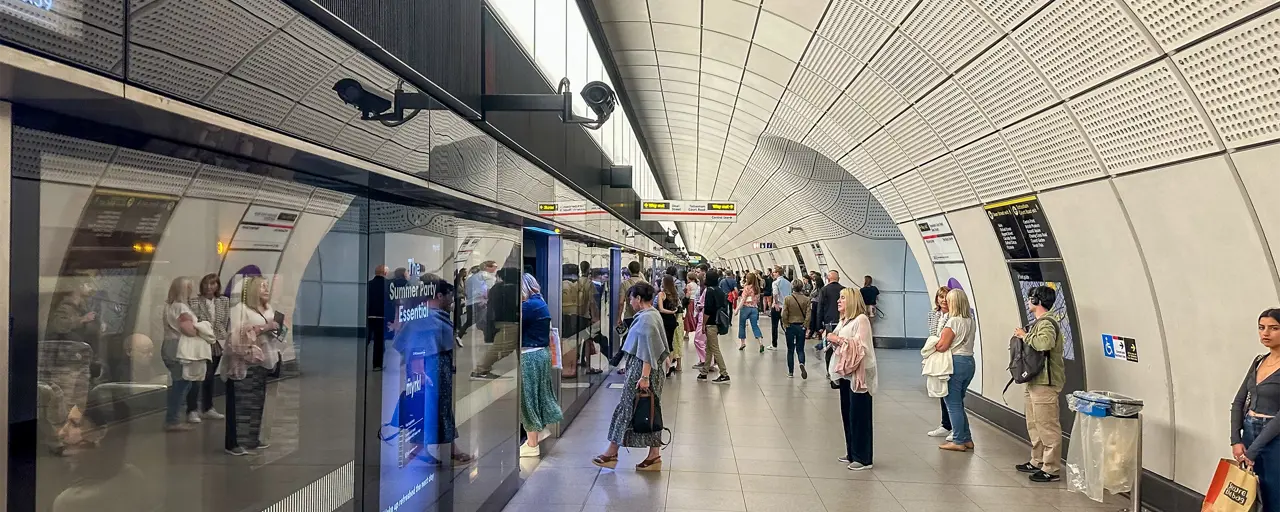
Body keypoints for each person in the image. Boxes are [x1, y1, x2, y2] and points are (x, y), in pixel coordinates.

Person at [395, 276, 475, 466]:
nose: (452, 301)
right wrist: (420, 373)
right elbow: (417, 348)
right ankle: (421, 449)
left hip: (438, 370)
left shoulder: (431, 316)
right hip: (430, 371)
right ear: (439, 295)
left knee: (440, 408)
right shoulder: (425, 318)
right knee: (431, 408)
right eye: (449, 296)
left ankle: (430, 448)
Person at [592, 282, 669, 471]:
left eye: (631, 298)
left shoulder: (646, 320)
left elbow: (648, 351)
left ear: (639, 299)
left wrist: (644, 377)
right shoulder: (651, 315)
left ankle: (611, 453)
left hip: (643, 372)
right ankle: (653, 456)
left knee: (628, 409)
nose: (629, 302)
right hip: (646, 370)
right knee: (648, 409)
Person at [1010, 286, 1065, 482]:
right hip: (1034, 380)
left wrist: (1024, 336)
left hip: (1045, 382)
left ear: (1037, 301)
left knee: (1047, 425)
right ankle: (1037, 460)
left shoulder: (1048, 323)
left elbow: (1044, 344)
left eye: (1030, 298)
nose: (1027, 301)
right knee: (1034, 423)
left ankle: (1051, 468)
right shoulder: (1038, 322)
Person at [223, 276, 281, 454]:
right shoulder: (240, 309)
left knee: (256, 401)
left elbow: (272, 328)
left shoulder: (267, 308)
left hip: (262, 360)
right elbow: (236, 337)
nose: (266, 289)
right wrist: (265, 328)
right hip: (243, 362)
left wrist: (275, 328)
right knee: (240, 402)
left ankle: (251, 438)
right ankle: (233, 442)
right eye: (262, 286)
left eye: (267, 286)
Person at [1232, 308, 1280, 507]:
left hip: (1274, 437)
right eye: (1261, 328)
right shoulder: (1259, 361)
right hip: (1249, 432)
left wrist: (1254, 450)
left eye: (1274, 328)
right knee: (1248, 494)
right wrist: (1236, 439)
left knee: (1273, 495)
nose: (1265, 333)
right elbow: (1239, 401)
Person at [825, 288, 875, 470]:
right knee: (848, 413)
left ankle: (863, 457)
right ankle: (852, 451)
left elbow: (860, 347)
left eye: (843, 298)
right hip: (845, 373)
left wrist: (836, 339)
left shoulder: (861, 320)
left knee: (859, 415)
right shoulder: (844, 320)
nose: (839, 301)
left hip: (859, 375)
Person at [517, 274, 563, 458]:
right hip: (541, 354)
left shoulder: (528, 306)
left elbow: (511, 325)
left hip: (530, 356)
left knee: (528, 400)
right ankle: (539, 430)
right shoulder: (540, 303)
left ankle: (532, 443)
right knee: (539, 396)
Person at [936, 288, 979, 453]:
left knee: (952, 403)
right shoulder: (970, 321)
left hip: (955, 363)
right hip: (969, 362)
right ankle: (966, 438)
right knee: (959, 402)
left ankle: (958, 440)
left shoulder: (953, 321)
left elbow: (942, 345)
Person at [186, 273, 229, 423]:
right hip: (202, 341)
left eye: (213, 284)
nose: (209, 287)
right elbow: (195, 320)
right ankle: (192, 409)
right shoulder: (195, 301)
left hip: (217, 341)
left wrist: (221, 336)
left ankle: (207, 407)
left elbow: (224, 321)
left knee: (210, 376)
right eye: (206, 284)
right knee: (199, 376)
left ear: (217, 285)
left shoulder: (223, 301)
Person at [160, 277, 200, 432]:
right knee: (181, 383)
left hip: (169, 345)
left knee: (180, 382)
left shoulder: (169, 306)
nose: (191, 290)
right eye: (188, 287)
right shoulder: (182, 308)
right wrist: (202, 330)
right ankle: (172, 419)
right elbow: (187, 329)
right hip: (179, 346)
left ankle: (173, 417)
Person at [472, 267, 521, 380]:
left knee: (505, 346)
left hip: (500, 321)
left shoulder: (497, 287)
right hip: (510, 322)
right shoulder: (513, 289)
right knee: (501, 348)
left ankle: (482, 369)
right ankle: (480, 370)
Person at [925, 286, 953, 440]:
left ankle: (952, 426)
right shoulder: (933, 314)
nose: (943, 300)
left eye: (946, 297)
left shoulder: (954, 317)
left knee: (950, 392)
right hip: (936, 353)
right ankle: (945, 424)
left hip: (947, 354)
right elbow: (932, 333)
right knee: (940, 390)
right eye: (940, 297)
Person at [697, 270, 731, 384]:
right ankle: (704, 372)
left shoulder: (709, 291)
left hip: (711, 323)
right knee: (709, 348)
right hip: (718, 322)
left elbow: (707, 310)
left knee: (714, 348)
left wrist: (703, 324)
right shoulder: (720, 290)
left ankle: (724, 374)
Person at [782, 278, 811, 379]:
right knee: (800, 349)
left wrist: (785, 324)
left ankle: (790, 372)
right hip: (801, 326)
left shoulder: (788, 299)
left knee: (790, 349)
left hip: (790, 325)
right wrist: (805, 325)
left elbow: (784, 313)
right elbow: (808, 314)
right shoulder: (807, 299)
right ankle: (801, 363)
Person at [467, 261, 497, 343]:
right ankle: (489, 337)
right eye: (494, 266)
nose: (495, 268)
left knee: (480, 321)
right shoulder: (487, 276)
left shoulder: (472, 278)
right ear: (487, 267)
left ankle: (488, 337)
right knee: (484, 320)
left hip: (474, 301)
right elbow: (488, 290)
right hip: (484, 301)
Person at [735, 272, 765, 352]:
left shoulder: (747, 288)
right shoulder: (757, 288)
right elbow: (758, 300)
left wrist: (737, 309)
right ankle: (761, 343)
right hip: (754, 309)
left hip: (745, 308)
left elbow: (743, 299)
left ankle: (743, 343)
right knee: (755, 326)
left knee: (742, 325)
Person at [658, 275, 680, 377]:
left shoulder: (661, 294)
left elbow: (661, 309)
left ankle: (663, 366)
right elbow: (677, 308)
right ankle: (669, 367)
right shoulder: (675, 294)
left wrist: (670, 312)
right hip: (672, 321)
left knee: (662, 343)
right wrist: (673, 312)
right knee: (670, 343)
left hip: (663, 320)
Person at [817, 271, 845, 351]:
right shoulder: (844, 290)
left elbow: (820, 308)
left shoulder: (824, 290)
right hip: (842, 321)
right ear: (838, 279)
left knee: (829, 346)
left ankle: (829, 362)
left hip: (828, 322)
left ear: (827, 279)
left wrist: (819, 326)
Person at [770, 267, 791, 351]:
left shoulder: (775, 283)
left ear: (778, 273)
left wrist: (776, 303)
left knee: (774, 326)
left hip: (777, 307)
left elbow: (775, 294)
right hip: (785, 307)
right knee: (785, 325)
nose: (773, 274)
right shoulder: (788, 283)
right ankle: (790, 343)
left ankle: (774, 344)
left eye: (774, 272)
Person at [807, 272, 824, 340]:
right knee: (815, 318)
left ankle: (815, 332)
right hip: (816, 303)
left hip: (815, 303)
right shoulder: (820, 288)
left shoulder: (818, 288)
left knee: (814, 318)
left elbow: (812, 294)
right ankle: (814, 332)